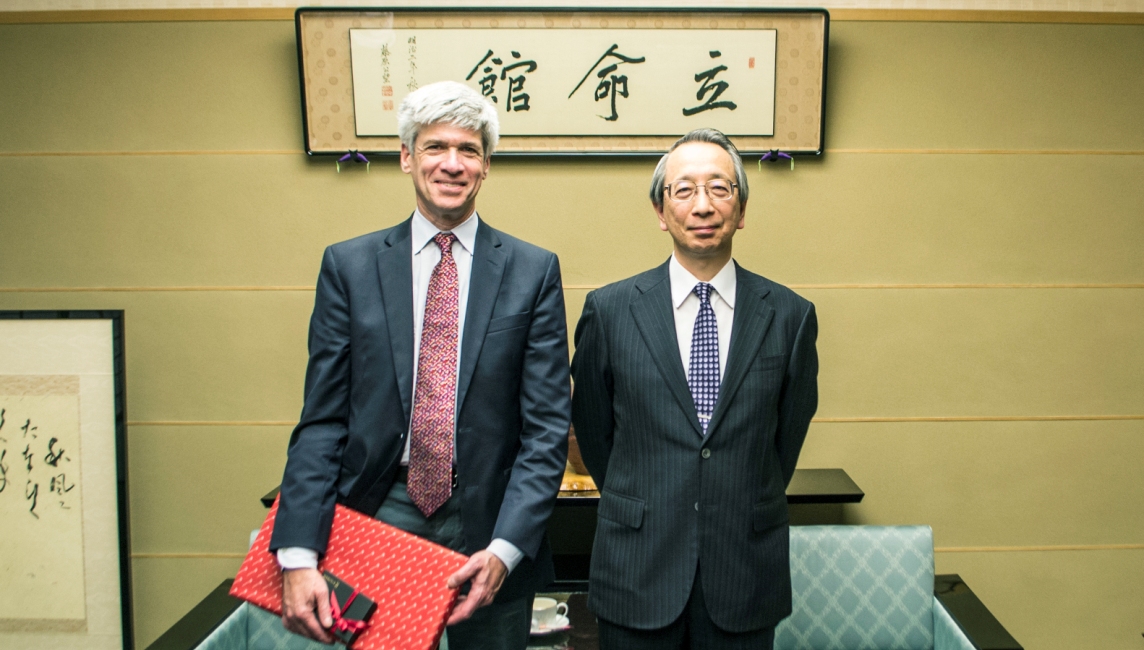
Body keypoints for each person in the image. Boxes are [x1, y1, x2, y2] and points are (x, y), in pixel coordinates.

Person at [269, 80, 571, 650]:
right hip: (382, 512)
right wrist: (298, 552)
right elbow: (322, 421)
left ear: (486, 167)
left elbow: (547, 428)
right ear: (407, 157)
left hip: (490, 521)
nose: (452, 164)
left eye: (469, 151)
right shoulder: (349, 267)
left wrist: (507, 549)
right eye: (435, 147)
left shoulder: (533, 272)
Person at [570, 128, 818, 649]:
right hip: (637, 569)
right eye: (683, 190)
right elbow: (596, 437)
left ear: (742, 210)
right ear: (661, 212)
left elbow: (783, 443)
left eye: (719, 188)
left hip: (744, 575)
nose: (702, 205)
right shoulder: (611, 311)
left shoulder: (790, 317)